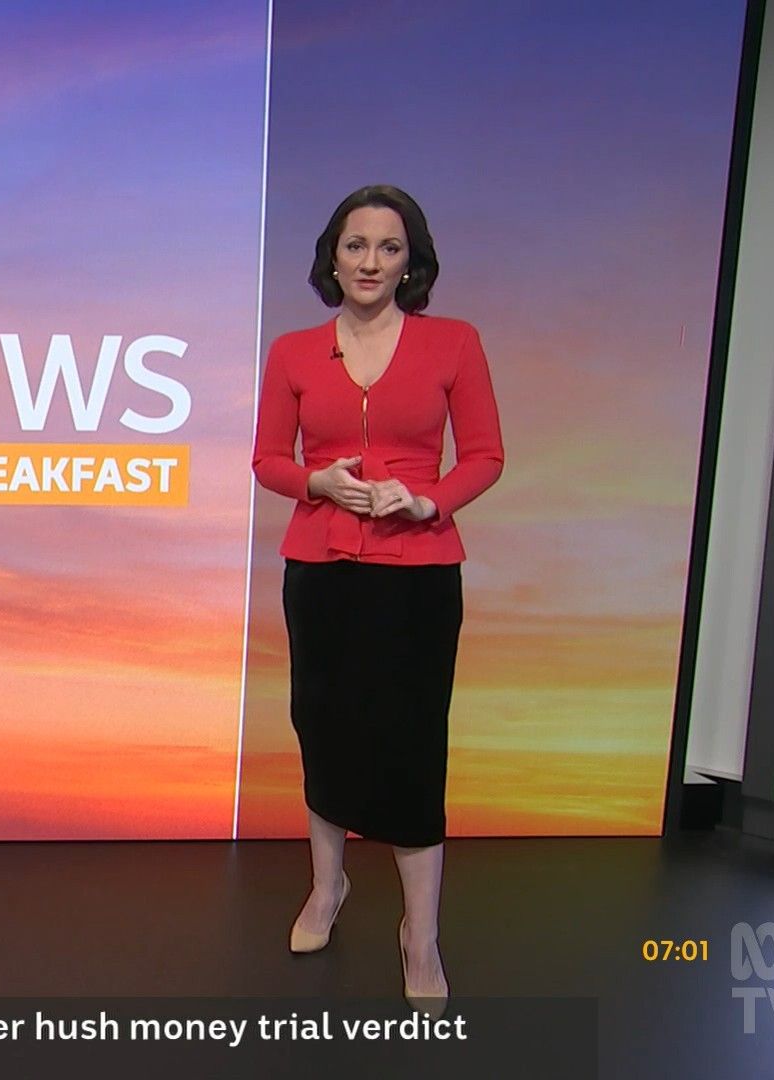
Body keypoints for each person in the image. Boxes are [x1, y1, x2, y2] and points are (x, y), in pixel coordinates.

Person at [250, 184, 503, 1015]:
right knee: (322, 726)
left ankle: (419, 934)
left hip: (417, 573)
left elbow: (486, 456)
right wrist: (316, 481)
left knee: (411, 743)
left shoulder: (454, 342)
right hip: (319, 569)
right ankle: (328, 890)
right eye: (355, 245)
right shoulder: (293, 352)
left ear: (410, 263)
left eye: (388, 248)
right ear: (332, 256)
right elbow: (267, 460)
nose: (369, 262)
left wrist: (427, 500)